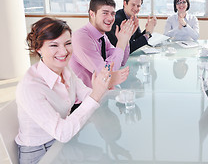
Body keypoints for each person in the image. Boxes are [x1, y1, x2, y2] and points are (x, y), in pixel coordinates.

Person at [15, 17, 130, 164]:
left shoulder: (64, 69)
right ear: (38, 48)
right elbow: (63, 132)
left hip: (59, 142)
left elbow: (86, 94)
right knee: (100, 158)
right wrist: (96, 93)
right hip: (40, 154)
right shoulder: (31, 87)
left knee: (101, 155)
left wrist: (110, 93)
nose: (63, 51)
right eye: (54, 45)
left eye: (68, 43)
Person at [70, 0, 135, 88]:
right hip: (84, 99)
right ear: (92, 14)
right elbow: (106, 74)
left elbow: (121, 62)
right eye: (105, 13)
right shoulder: (81, 38)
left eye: (113, 14)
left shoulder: (102, 36)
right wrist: (121, 42)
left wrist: (125, 39)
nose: (110, 18)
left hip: (101, 94)